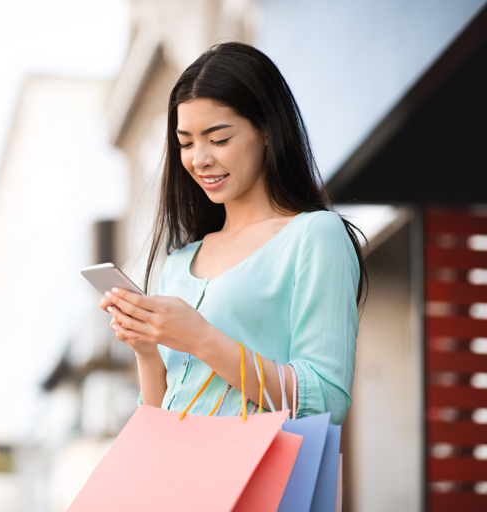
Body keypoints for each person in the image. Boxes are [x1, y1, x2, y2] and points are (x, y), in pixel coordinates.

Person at [100, 42, 366, 425]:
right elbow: (159, 420)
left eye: (219, 139)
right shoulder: (178, 263)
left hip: (261, 478)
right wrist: (145, 350)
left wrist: (201, 339)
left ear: (267, 131)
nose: (199, 158)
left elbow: (325, 398)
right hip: (179, 479)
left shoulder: (314, 236)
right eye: (186, 142)